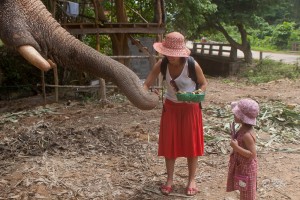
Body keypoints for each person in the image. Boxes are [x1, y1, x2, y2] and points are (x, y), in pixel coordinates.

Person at [143, 32, 208, 196]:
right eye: (167, 53)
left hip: (190, 109)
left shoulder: (192, 65)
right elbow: (147, 83)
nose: (170, 57)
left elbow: (203, 83)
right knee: (169, 145)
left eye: (174, 54)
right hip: (170, 108)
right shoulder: (162, 64)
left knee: (191, 145)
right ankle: (170, 179)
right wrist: (143, 95)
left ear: (181, 53)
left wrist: (195, 95)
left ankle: (191, 179)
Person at [226, 98, 259, 200]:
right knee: (243, 191)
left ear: (241, 117)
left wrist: (236, 147)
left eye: (236, 113)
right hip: (242, 167)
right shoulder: (243, 129)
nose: (233, 114)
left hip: (247, 170)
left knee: (247, 195)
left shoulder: (247, 135)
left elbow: (252, 154)